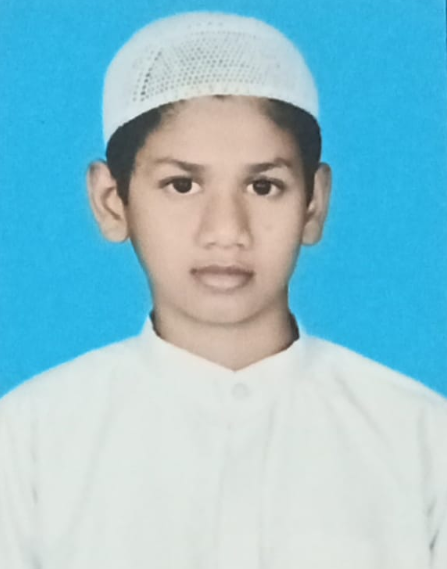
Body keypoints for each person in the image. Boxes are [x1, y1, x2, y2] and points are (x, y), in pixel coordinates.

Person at [0, 11, 446, 569]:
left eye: (263, 186)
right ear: (112, 201)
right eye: (182, 184)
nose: (226, 230)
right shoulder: (29, 442)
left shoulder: (422, 440)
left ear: (314, 202)